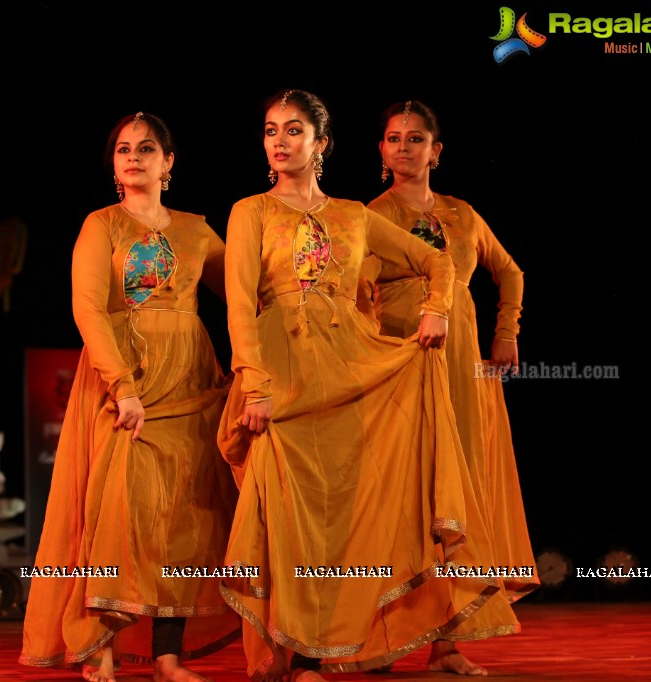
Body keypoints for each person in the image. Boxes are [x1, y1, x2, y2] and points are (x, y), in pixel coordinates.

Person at [218, 90, 515, 681]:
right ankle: (292, 650)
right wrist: (252, 383)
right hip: (280, 374)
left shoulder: (354, 215)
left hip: (349, 372)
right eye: (272, 130)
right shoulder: (249, 211)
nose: (279, 140)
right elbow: (237, 306)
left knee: (343, 519)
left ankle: (329, 650)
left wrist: (438, 309)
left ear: (321, 144)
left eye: (294, 130)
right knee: (286, 513)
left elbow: (440, 264)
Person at [19, 112, 240, 682]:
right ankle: (99, 646)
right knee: (120, 513)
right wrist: (122, 386)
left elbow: (244, 292)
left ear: (170, 162)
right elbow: (88, 308)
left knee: (185, 520)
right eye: (123, 149)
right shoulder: (102, 225)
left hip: (191, 384)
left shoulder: (195, 230)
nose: (134, 156)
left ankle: (169, 655)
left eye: (147, 148)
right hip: (128, 383)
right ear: (114, 165)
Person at [362, 99, 540, 674]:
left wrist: (505, 335)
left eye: (416, 139)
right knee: (398, 493)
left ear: (436, 151)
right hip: (400, 360)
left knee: (454, 496)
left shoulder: (463, 215)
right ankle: (379, 635)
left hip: (461, 362)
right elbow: (356, 291)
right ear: (381, 151)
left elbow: (509, 271)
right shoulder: (368, 215)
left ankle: (447, 643)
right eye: (393, 138)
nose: (404, 148)